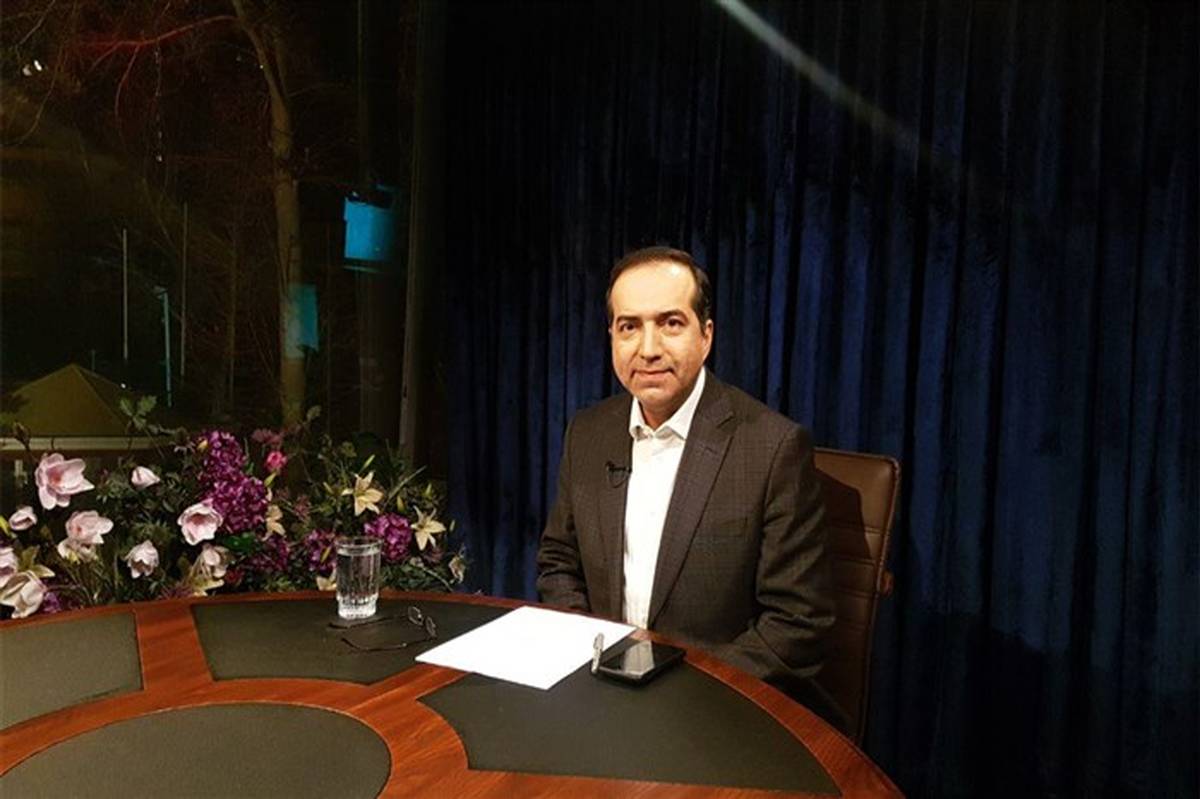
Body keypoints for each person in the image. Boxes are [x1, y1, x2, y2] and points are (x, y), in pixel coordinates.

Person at [537, 245, 840, 722]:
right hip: (601, 697)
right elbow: (558, 562)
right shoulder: (587, 433)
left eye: (671, 323)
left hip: (715, 709)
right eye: (629, 326)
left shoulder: (773, 447)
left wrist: (680, 689)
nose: (648, 348)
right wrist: (589, 654)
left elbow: (797, 622)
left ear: (706, 335)